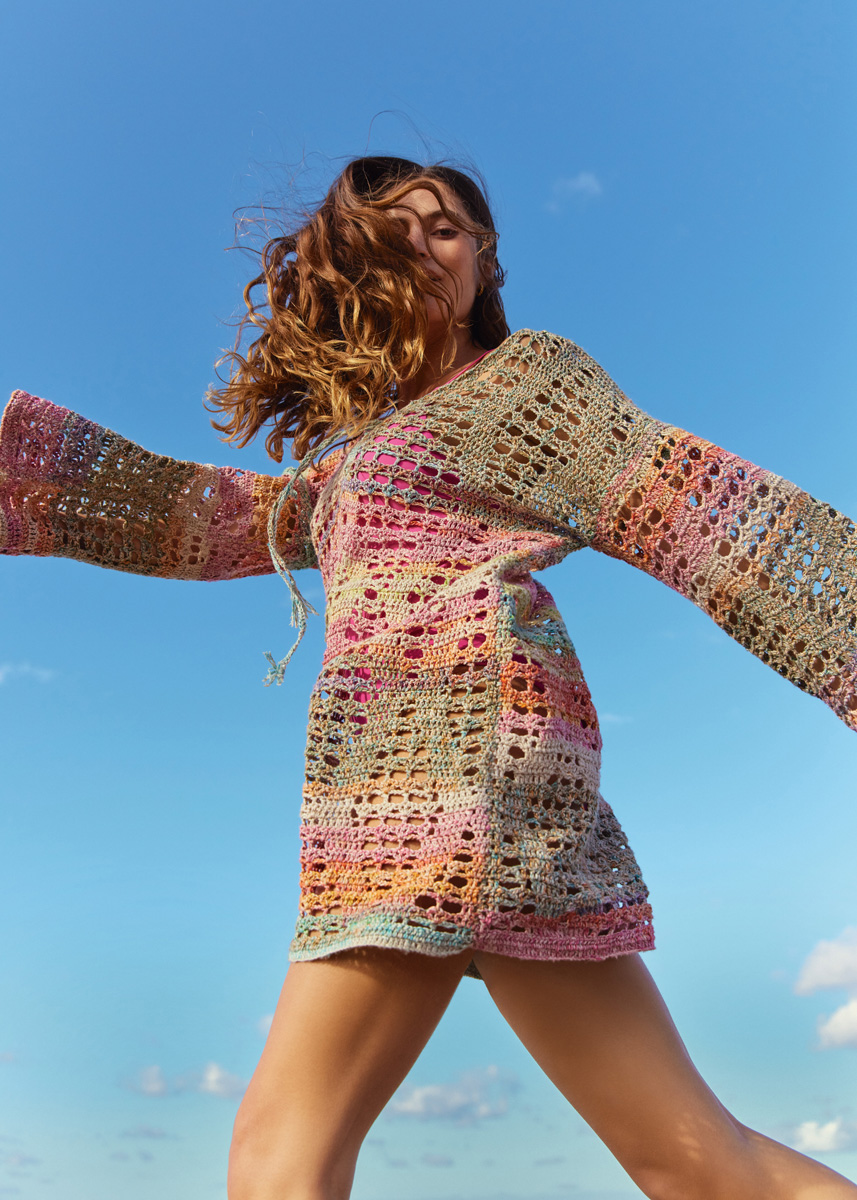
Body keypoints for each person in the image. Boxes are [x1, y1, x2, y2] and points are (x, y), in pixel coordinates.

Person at [1, 155, 855, 1200]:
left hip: (445, 780)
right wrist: (29, 479)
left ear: (483, 264)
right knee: (696, 1165)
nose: (419, 242)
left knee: (279, 1155)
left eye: (445, 227)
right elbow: (224, 521)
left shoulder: (524, 385)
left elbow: (697, 510)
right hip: (488, 792)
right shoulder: (369, 448)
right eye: (394, 230)